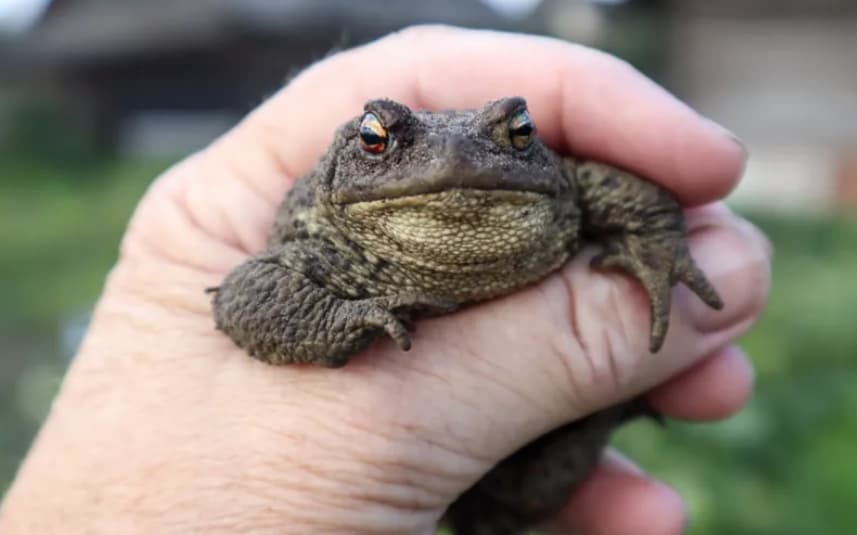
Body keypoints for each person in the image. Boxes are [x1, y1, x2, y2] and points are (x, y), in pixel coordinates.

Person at [0, 26, 770, 535]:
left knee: (531, 500)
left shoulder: (560, 188)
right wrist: (349, 319)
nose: (453, 162)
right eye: (379, 141)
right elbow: (248, 298)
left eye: (515, 135)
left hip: (552, 442)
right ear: (352, 156)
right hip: (428, 433)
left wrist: (657, 243)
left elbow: (625, 190)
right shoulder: (329, 233)